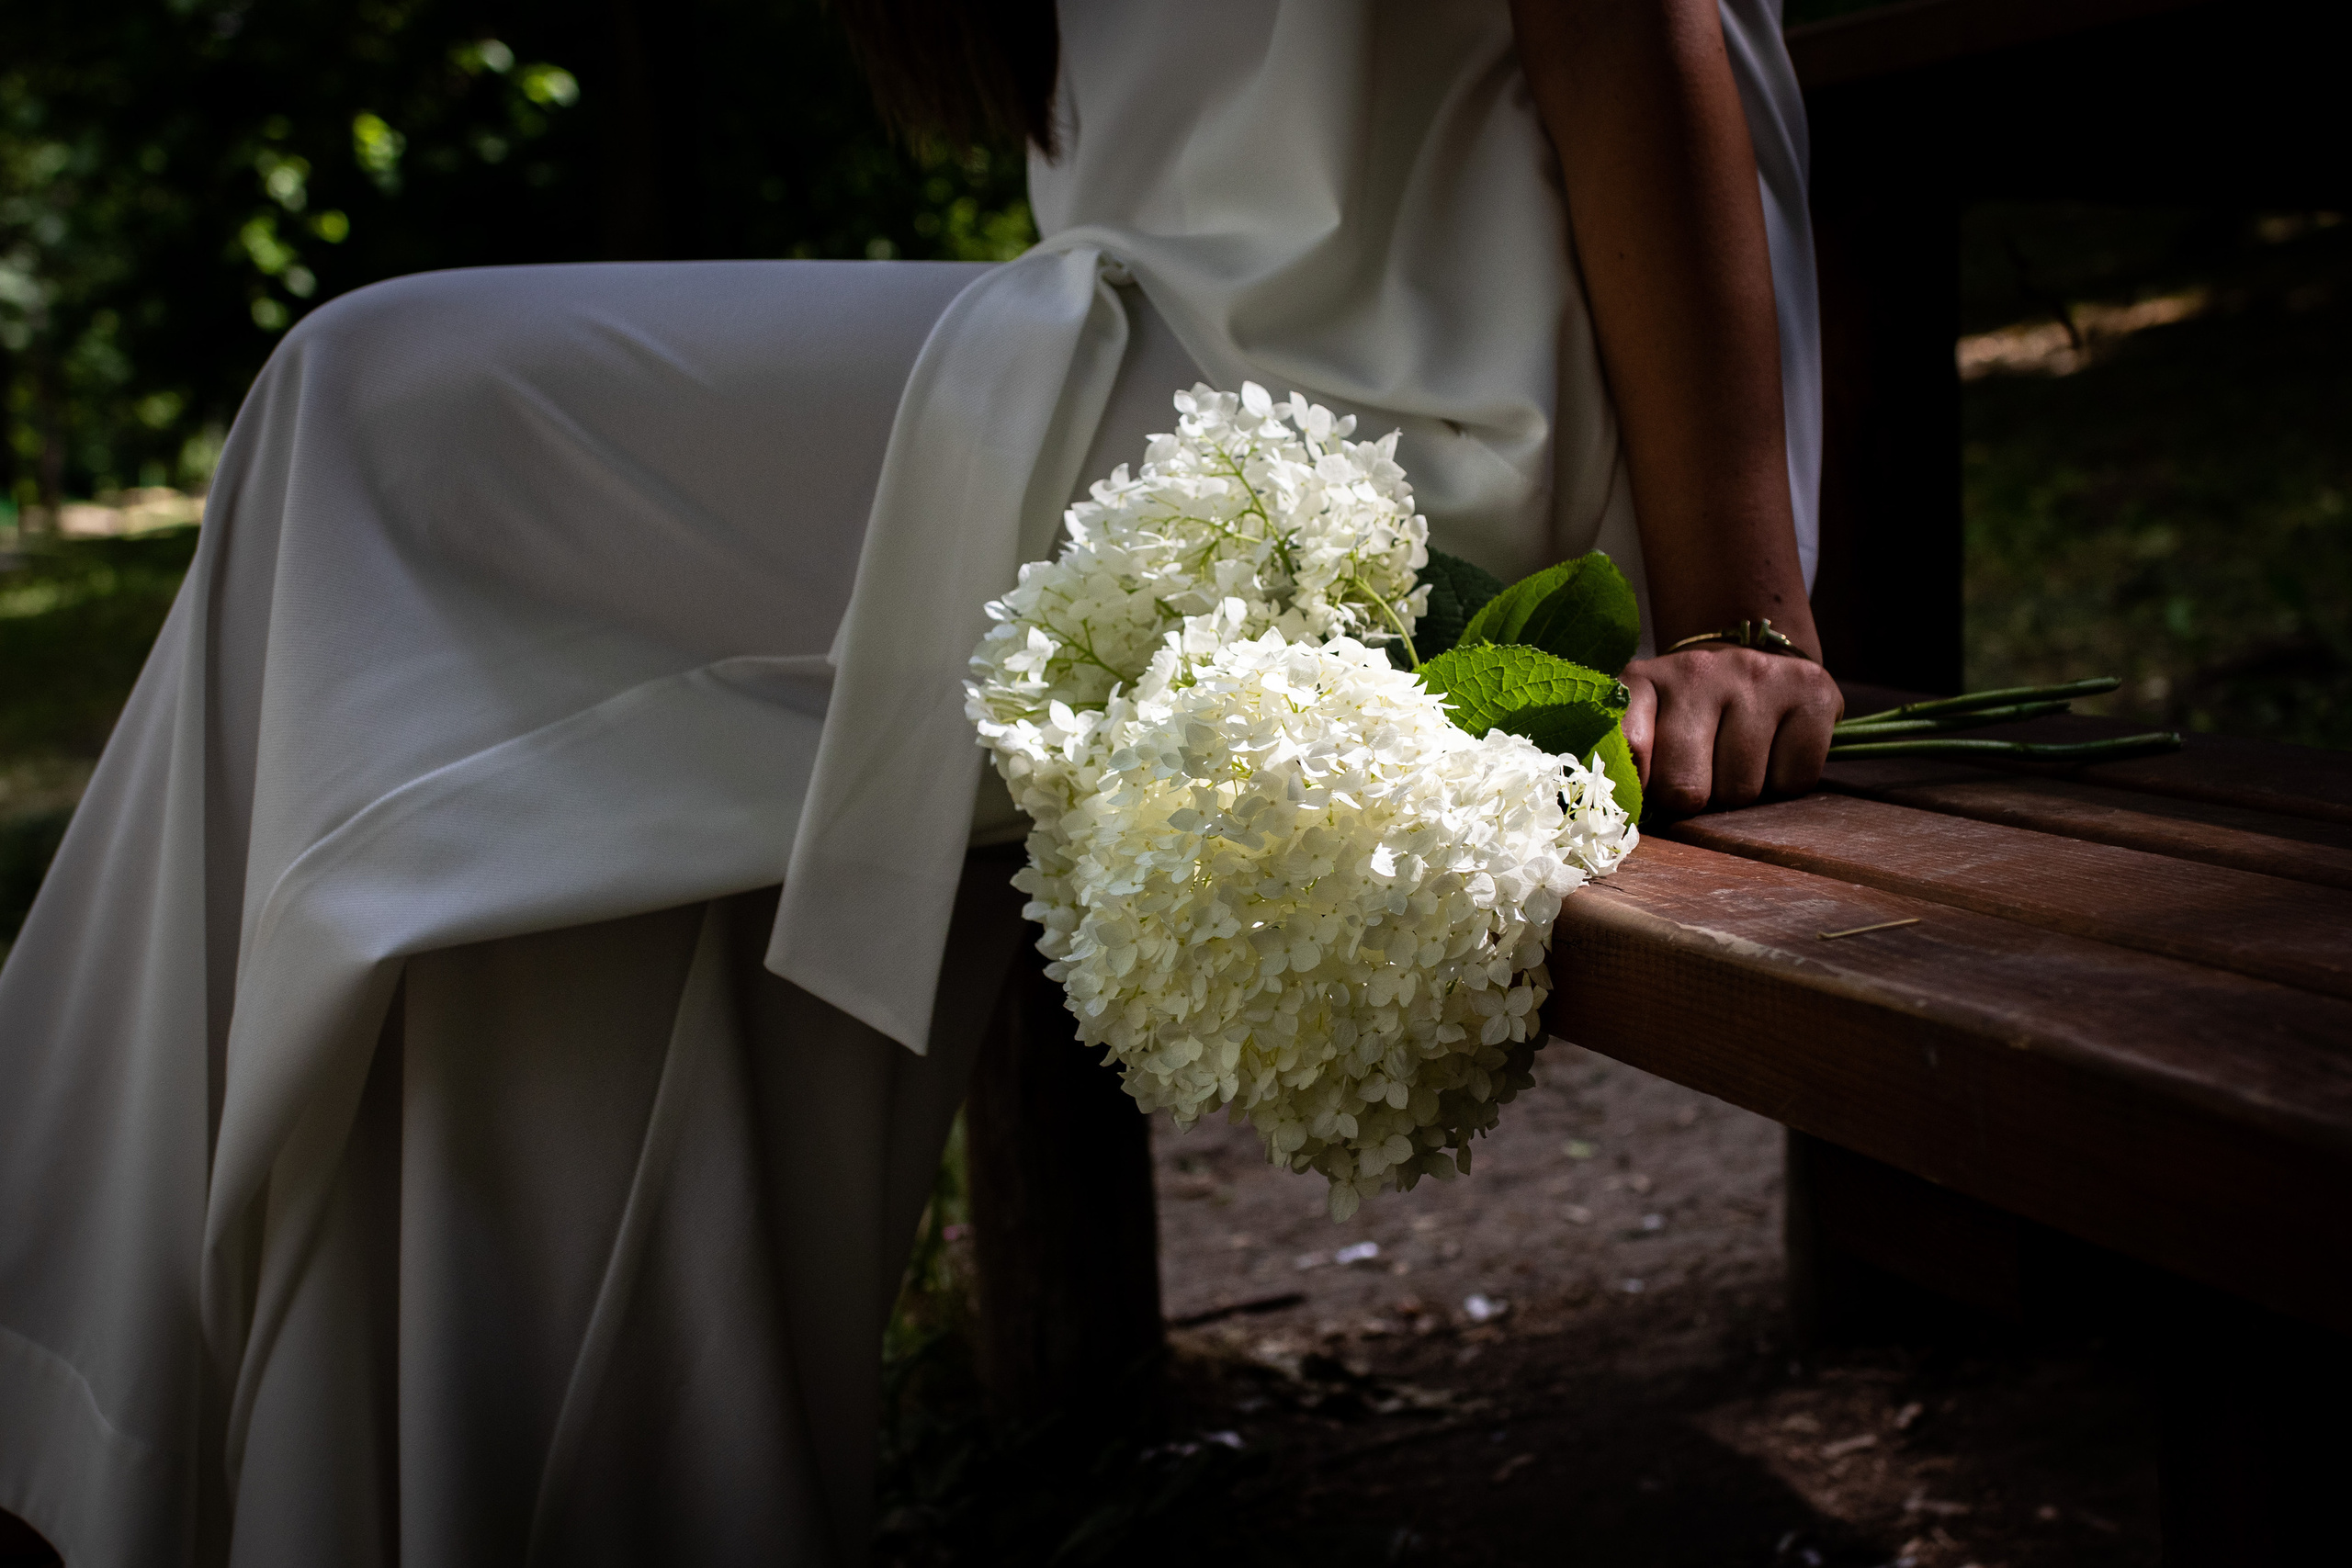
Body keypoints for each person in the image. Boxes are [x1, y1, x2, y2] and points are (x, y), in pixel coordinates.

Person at [0, 3, 1836, 1562]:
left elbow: (1629, 25)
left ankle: (84, 1387)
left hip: (1435, 440)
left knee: (382, 414)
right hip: (1168, 371)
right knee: (532, 841)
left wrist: (1738, 610)